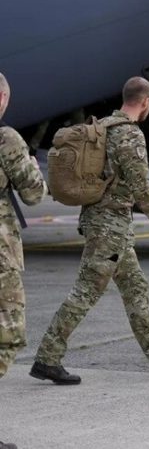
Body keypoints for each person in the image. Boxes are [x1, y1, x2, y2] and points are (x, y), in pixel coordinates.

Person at [32, 77, 149, 384]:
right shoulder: (129, 134)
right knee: (86, 291)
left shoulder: (104, 127)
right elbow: (140, 185)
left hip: (108, 224)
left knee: (135, 287)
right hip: (109, 228)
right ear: (146, 102)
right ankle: (47, 358)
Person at [0, 73, 47, 382]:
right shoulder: (6, 139)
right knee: (9, 333)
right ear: (2, 98)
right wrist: (31, 165)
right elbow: (33, 194)